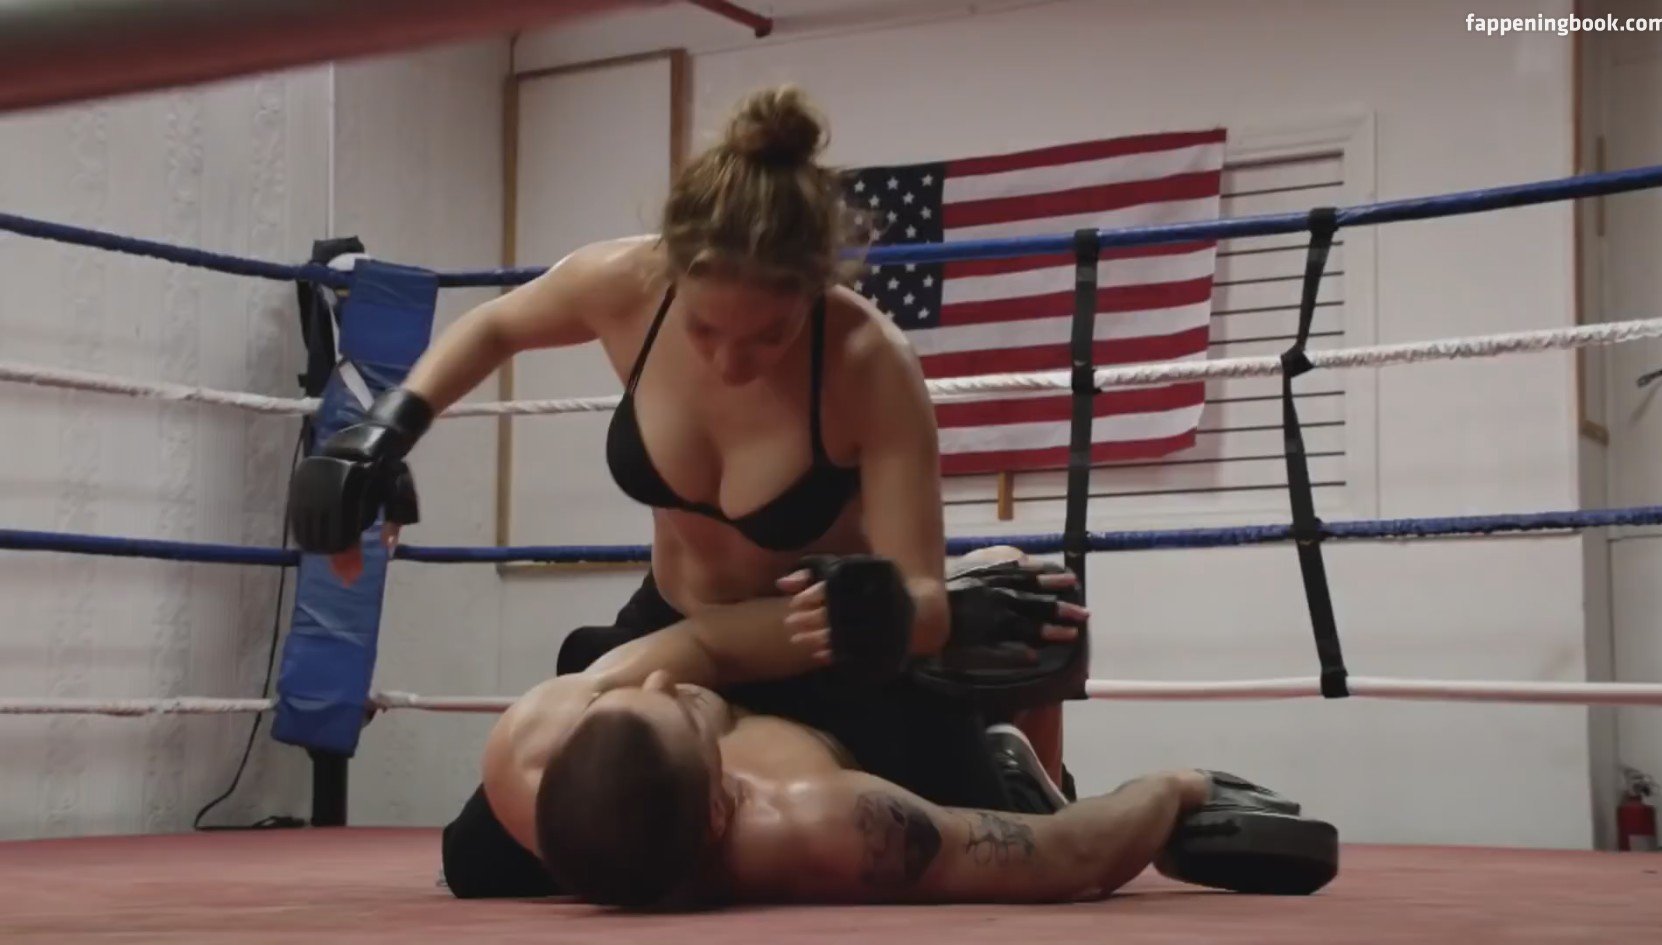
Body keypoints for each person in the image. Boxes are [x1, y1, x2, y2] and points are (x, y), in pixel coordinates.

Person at [287, 86, 1082, 778]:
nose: (731, 361)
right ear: (670, 266)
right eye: (705, 328)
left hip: (812, 648)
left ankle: (1004, 760)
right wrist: (387, 428)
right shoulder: (626, 284)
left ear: (814, 291)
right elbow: (497, 325)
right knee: (493, 858)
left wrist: (896, 613)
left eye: (768, 335)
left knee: (927, 848)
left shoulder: (870, 363)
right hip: (671, 624)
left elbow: (924, 602)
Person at [448, 619, 1339, 909]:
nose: (658, 683)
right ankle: (1008, 759)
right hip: (863, 723)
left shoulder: (530, 746)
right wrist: (1174, 787)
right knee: (995, 679)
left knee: (471, 858)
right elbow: (1066, 857)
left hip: (770, 642)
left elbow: (699, 646)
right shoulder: (822, 822)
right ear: (722, 805)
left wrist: (907, 606)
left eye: (630, 697)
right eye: (677, 707)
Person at [441, 547, 1090, 899]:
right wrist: (401, 421)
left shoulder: (861, 371)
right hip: (693, 621)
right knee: (475, 859)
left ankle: (1024, 774)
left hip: (826, 623)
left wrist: (924, 607)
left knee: (1022, 605)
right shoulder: (659, 347)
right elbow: (703, 642)